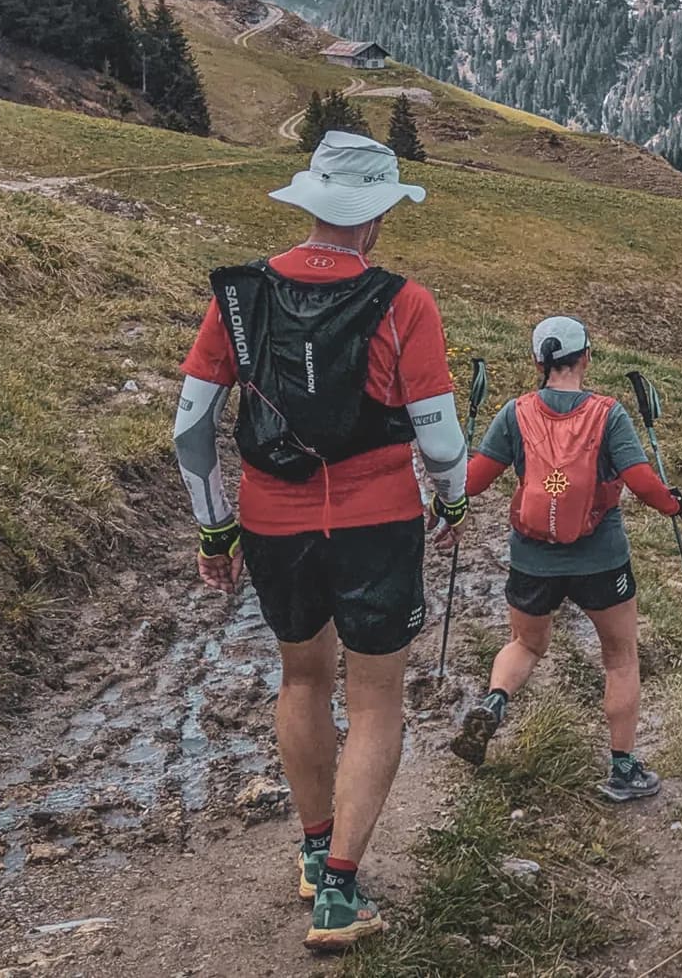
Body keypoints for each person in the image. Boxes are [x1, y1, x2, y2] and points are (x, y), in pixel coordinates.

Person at [172, 131, 469, 953]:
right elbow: (440, 441)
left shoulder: (240, 298)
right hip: (378, 523)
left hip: (273, 523)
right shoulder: (406, 302)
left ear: (311, 203)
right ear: (375, 216)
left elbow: (191, 429)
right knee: (376, 702)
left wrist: (214, 527)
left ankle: (311, 850)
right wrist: (452, 504)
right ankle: (339, 893)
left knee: (301, 679)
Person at [446, 315, 682, 802]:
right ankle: (622, 769)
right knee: (620, 658)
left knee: (527, 645)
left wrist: (445, 507)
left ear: (539, 362)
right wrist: (672, 504)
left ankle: (495, 702)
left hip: (533, 560)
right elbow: (639, 479)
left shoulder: (514, 413)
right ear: (586, 358)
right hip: (601, 559)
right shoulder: (608, 413)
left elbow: (475, 478)